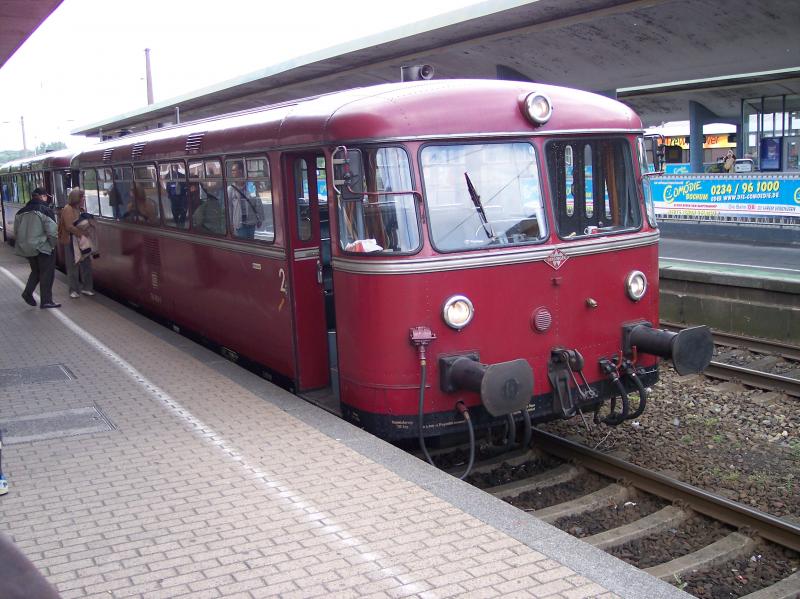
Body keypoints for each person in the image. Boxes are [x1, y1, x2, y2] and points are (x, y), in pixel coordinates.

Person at [14, 188, 60, 308]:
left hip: (27, 248)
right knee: (47, 274)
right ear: (42, 196)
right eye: (46, 196)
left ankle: (27, 292)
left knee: (36, 271)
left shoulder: (20, 212)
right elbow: (52, 231)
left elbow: (16, 231)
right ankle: (46, 301)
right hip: (43, 247)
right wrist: (52, 245)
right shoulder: (45, 210)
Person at [58, 188, 95, 299]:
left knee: (86, 263)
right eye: (82, 196)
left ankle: (87, 288)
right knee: (73, 265)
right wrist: (82, 233)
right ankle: (73, 290)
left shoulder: (81, 209)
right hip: (71, 241)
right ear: (76, 198)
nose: (84, 198)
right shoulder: (67, 209)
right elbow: (69, 226)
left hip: (81, 241)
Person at [228, 163, 264, 239]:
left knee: (251, 244)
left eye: (234, 170)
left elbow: (257, 202)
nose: (232, 172)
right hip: (239, 224)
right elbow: (229, 208)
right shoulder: (231, 189)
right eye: (232, 170)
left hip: (251, 222)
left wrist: (259, 218)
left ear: (240, 171)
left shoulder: (250, 186)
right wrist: (230, 223)